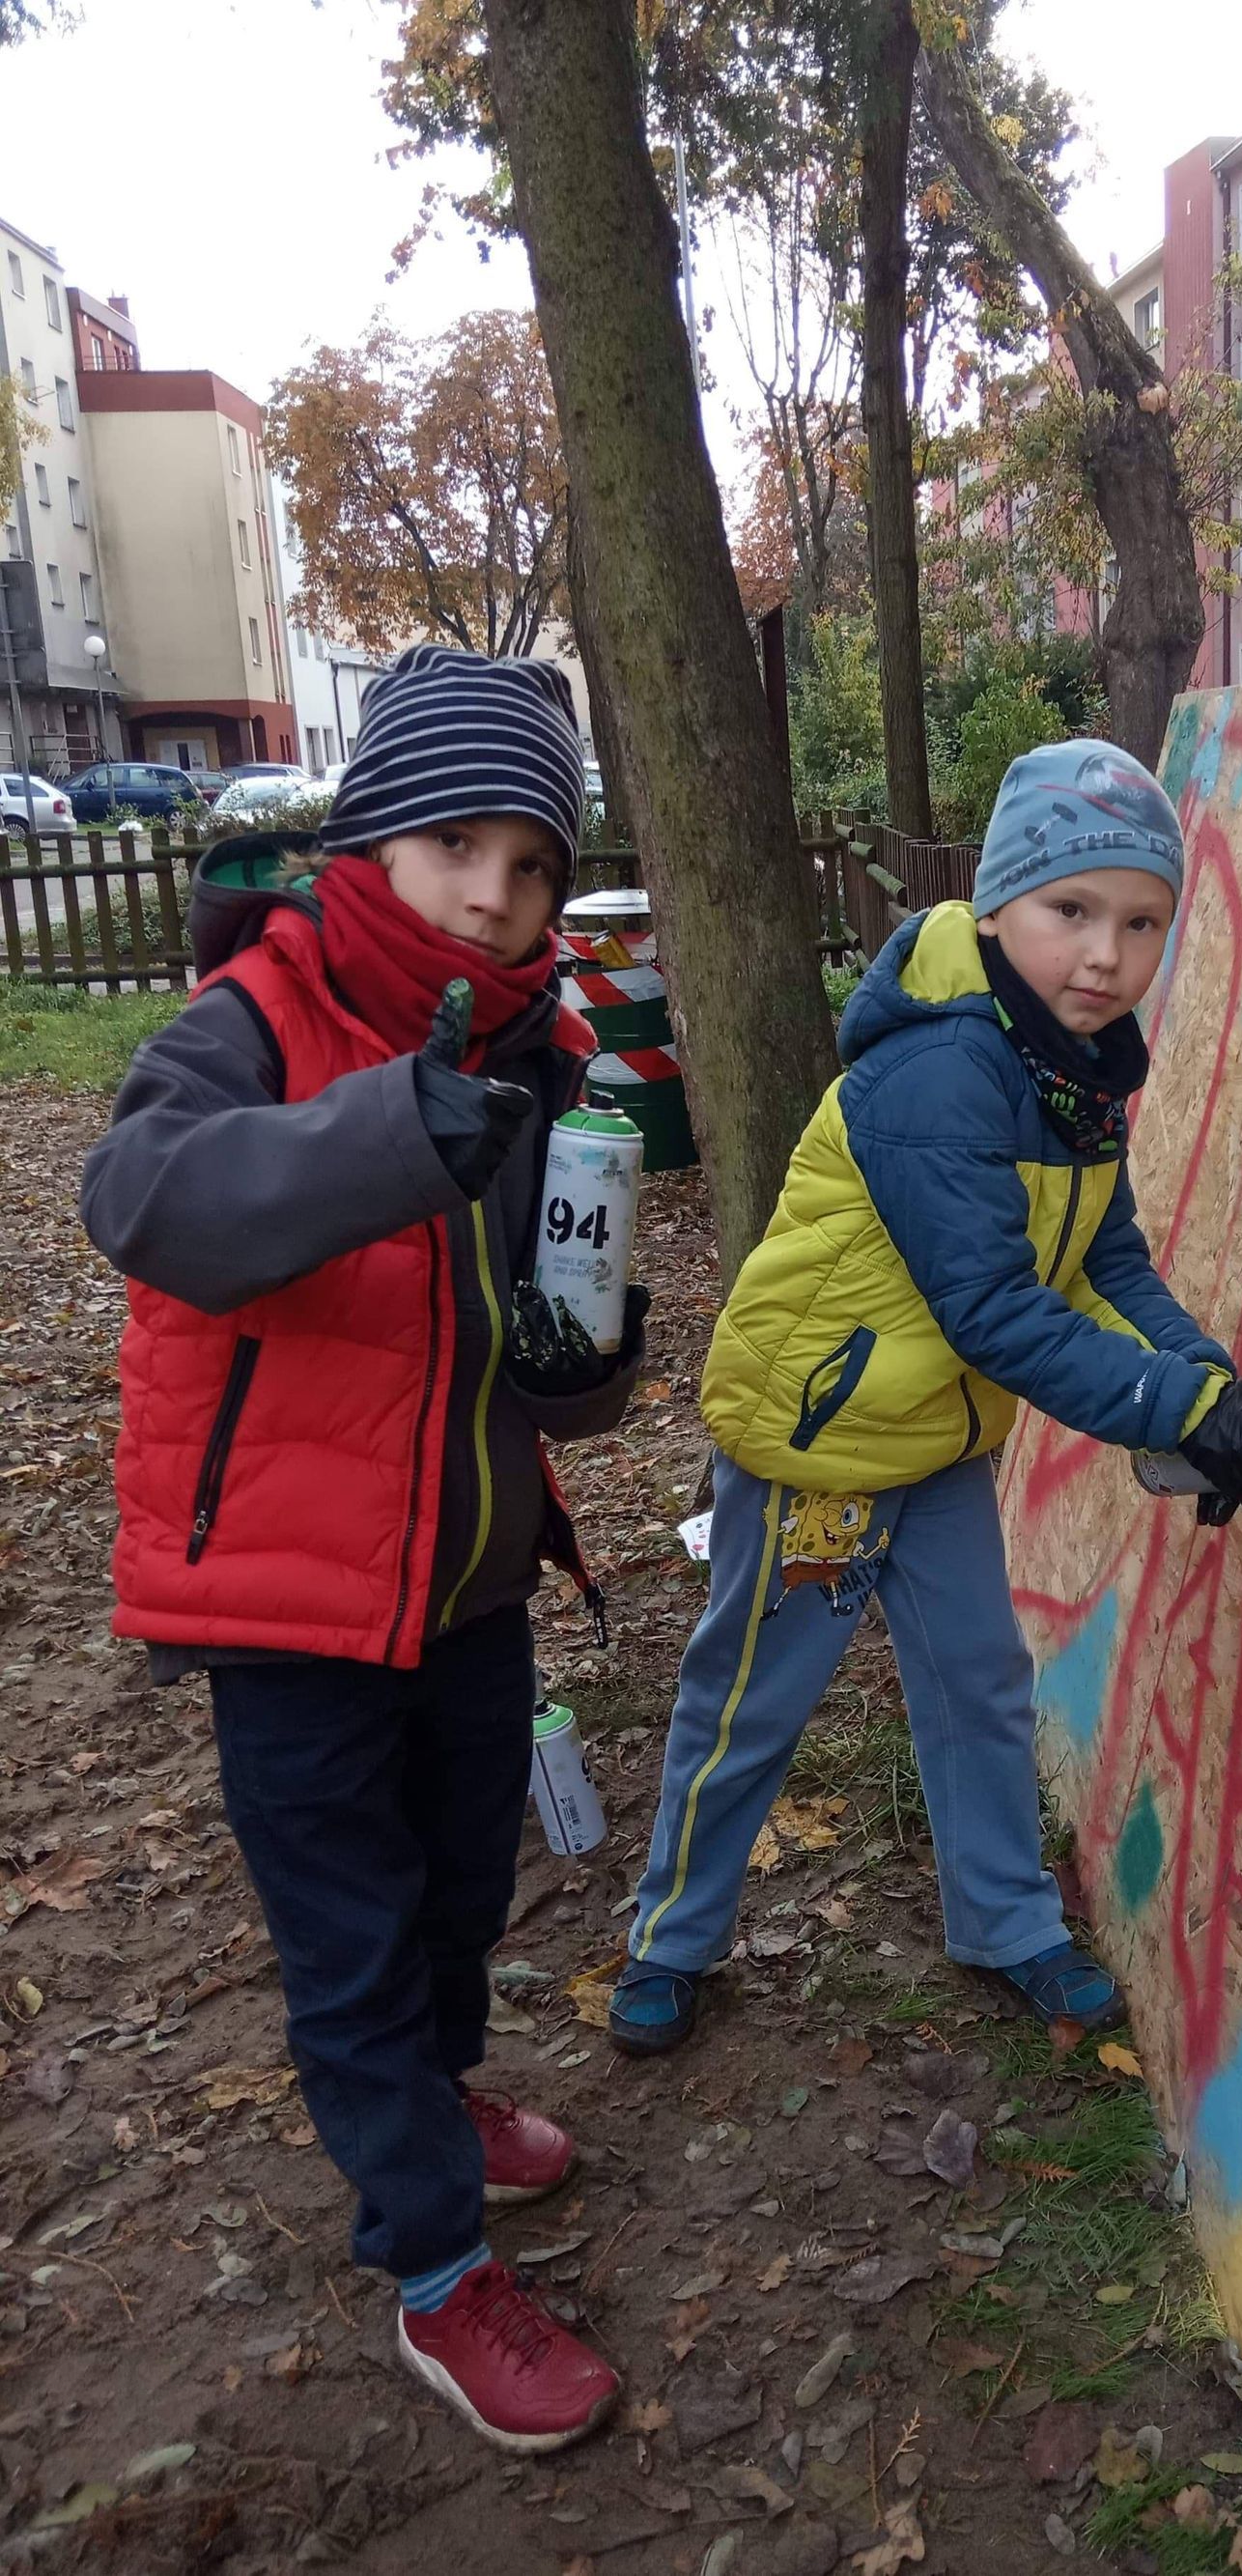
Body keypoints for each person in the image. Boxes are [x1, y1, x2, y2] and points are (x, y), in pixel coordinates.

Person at [81, 645, 645, 2454]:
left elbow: (540, 1341)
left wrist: (593, 1356)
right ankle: (433, 2268)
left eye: (535, 860)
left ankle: (440, 2092)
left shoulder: (546, 1045)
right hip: (292, 1603)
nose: (498, 892)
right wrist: (394, 1129)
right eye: (459, 843)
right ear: (379, 837)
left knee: (464, 1889)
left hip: (473, 1578)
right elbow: (148, 1202)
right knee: (351, 1943)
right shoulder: (257, 1011)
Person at [607, 740, 1242, 2060]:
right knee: (752, 1699)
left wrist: (1209, 1389)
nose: (1103, 955)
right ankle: (671, 1936)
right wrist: (1168, 1410)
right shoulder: (943, 1069)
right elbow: (991, 1307)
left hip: (931, 1438)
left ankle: (1005, 1920)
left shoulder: (1076, 1068)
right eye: (1070, 913)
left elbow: (1106, 1261)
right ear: (995, 912)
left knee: (981, 1680)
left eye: (1140, 922)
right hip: (822, 1440)